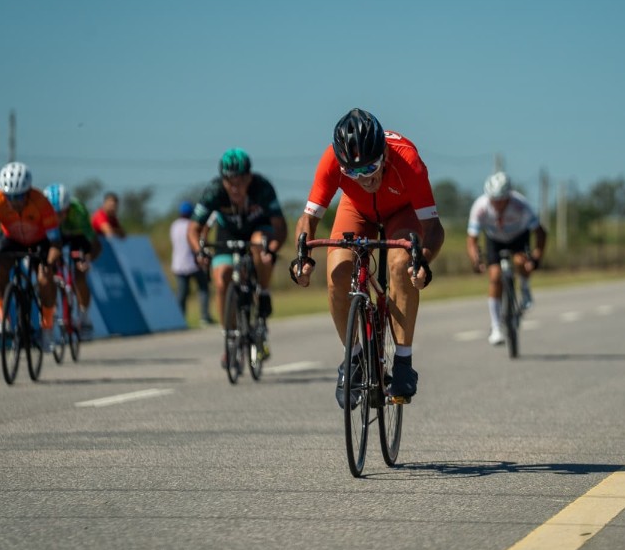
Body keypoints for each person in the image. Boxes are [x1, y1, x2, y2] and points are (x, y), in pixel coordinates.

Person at [291, 108, 444, 407]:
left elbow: (434, 229)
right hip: (357, 210)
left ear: (384, 154)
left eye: (371, 167)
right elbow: (308, 220)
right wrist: (302, 256)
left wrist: (422, 260)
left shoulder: (407, 159)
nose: (365, 178)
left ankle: (402, 362)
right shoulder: (330, 161)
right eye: (353, 172)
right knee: (338, 273)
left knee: (401, 263)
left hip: (402, 212)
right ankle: (355, 358)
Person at [187, 148, 287, 367]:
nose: (235, 187)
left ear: (249, 177)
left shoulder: (262, 188)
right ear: (222, 180)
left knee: (259, 243)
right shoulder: (214, 190)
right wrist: (199, 251)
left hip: (258, 228)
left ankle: (263, 292)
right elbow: (194, 228)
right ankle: (229, 335)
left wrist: (271, 249)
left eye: (240, 181)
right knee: (221, 277)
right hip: (228, 233)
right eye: (229, 181)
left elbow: (280, 228)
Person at [0, 162, 62, 351]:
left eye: (18, 196)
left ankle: (47, 328)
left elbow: (55, 243)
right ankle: (4, 320)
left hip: (41, 240)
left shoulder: (41, 202)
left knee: (44, 278)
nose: (14, 201)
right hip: (11, 239)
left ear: (27, 192)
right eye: (9, 197)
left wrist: (50, 262)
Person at [466, 171, 547, 345]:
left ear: (509, 196)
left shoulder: (521, 205)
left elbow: (540, 233)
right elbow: (472, 239)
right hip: (494, 239)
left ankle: (524, 288)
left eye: (501, 199)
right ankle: (496, 327)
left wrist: (536, 257)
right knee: (494, 276)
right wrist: (476, 260)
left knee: (520, 262)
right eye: (493, 199)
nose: (497, 203)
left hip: (518, 237)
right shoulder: (480, 206)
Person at [43, 183, 102, 338]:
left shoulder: (79, 212)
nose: (57, 217)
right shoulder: (41, 213)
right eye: (53, 213)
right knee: (47, 269)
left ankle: (84, 315)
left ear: (67, 208)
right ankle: (53, 309)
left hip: (77, 237)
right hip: (54, 237)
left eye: (61, 213)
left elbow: (94, 244)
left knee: (79, 275)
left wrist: (88, 259)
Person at [170, 200, 213, 325]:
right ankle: (204, 317)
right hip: (194, 263)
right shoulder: (192, 225)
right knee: (203, 289)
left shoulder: (174, 225)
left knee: (182, 293)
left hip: (178, 264)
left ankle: (180, 318)